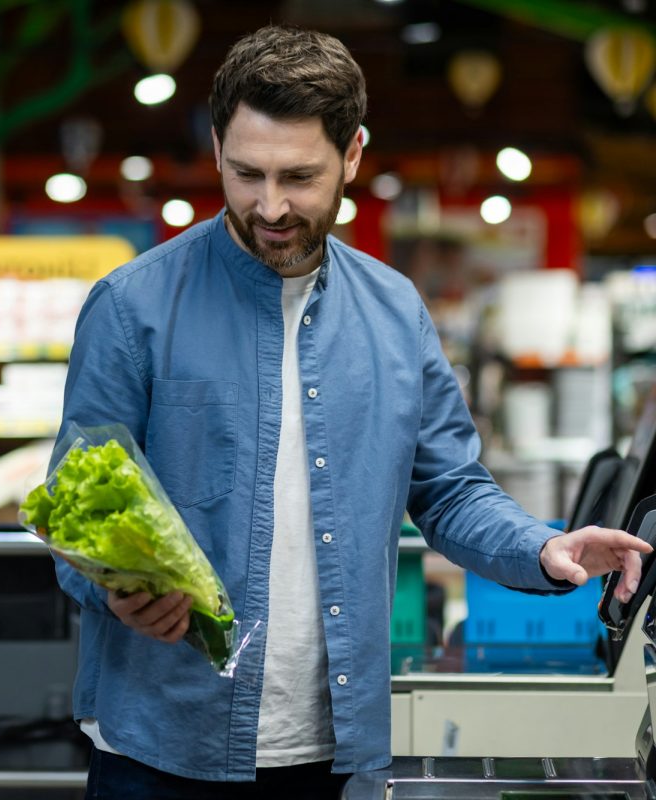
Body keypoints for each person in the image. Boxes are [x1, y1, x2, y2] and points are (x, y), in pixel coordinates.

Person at [52, 24, 651, 800]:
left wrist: (545, 549)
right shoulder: (131, 307)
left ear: (353, 156)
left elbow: (450, 490)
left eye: (299, 177)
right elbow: (75, 506)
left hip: (332, 752)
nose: (269, 206)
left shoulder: (395, 311)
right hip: (161, 748)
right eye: (246, 174)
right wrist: (114, 588)